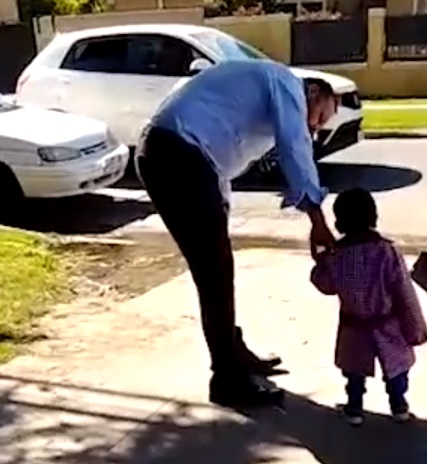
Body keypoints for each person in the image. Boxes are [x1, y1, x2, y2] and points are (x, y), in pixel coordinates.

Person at [134, 59, 339, 409]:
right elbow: (296, 146)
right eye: (320, 116)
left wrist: (221, 205)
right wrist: (318, 221)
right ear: (314, 92)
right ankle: (227, 379)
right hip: (175, 156)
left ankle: (233, 353)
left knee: (216, 268)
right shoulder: (287, 82)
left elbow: (219, 155)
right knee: (214, 273)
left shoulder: (262, 90)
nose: (314, 128)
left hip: (169, 156)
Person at [310, 189, 427, 426]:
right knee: (396, 369)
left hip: (353, 325)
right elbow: (404, 292)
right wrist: (415, 329)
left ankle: (354, 408)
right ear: (373, 217)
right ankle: (399, 405)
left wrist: (320, 259)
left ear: (339, 222)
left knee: (354, 371)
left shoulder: (337, 256)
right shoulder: (387, 252)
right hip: (386, 323)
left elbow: (324, 284)